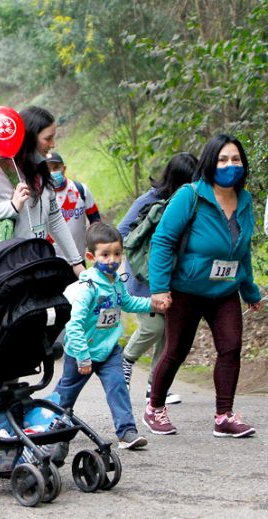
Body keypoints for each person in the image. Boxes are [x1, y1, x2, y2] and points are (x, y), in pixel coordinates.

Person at [145, 134, 262, 437]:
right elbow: (162, 241)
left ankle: (224, 416)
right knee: (176, 350)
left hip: (225, 291)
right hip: (186, 289)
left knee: (231, 347)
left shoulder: (245, 199)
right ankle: (154, 407)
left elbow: (242, 249)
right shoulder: (191, 195)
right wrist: (159, 289)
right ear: (210, 162)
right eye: (223, 159)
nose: (230, 165)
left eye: (235, 159)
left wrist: (249, 290)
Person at [55, 223, 166, 452]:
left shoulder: (116, 281)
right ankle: (53, 423)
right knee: (66, 395)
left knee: (118, 386)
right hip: (81, 352)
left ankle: (127, 432)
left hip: (109, 351)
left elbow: (127, 302)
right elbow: (74, 325)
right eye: (105, 255)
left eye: (117, 253)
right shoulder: (88, 286)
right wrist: (83, 356)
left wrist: (151, 303)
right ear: (91, 256)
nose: (112, 260)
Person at [0, 106, 85, 276]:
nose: (53, 144)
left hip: (34, 266)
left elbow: (54, 218)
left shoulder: (41, 172)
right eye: (48, 138)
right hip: (4, 272)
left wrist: (76, 262)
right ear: (29, 138)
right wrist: (11, 207)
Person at [117, 152, 197, 405]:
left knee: (168, 334)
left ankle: (156, 386)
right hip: (143, 278)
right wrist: (141, 252)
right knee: (154, 327)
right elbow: (121, 231)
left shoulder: (191, 201)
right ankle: (126, 360)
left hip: (172, 277)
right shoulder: (149, 200)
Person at [46, 152, 101, 259]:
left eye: (56, 167)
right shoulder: (42, 196)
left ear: (64, 168)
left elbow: (95, 219)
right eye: (48, 169)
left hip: (79, 258)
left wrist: (94, 243)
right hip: (54, 260)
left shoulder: (81, 189)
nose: (52, 172)